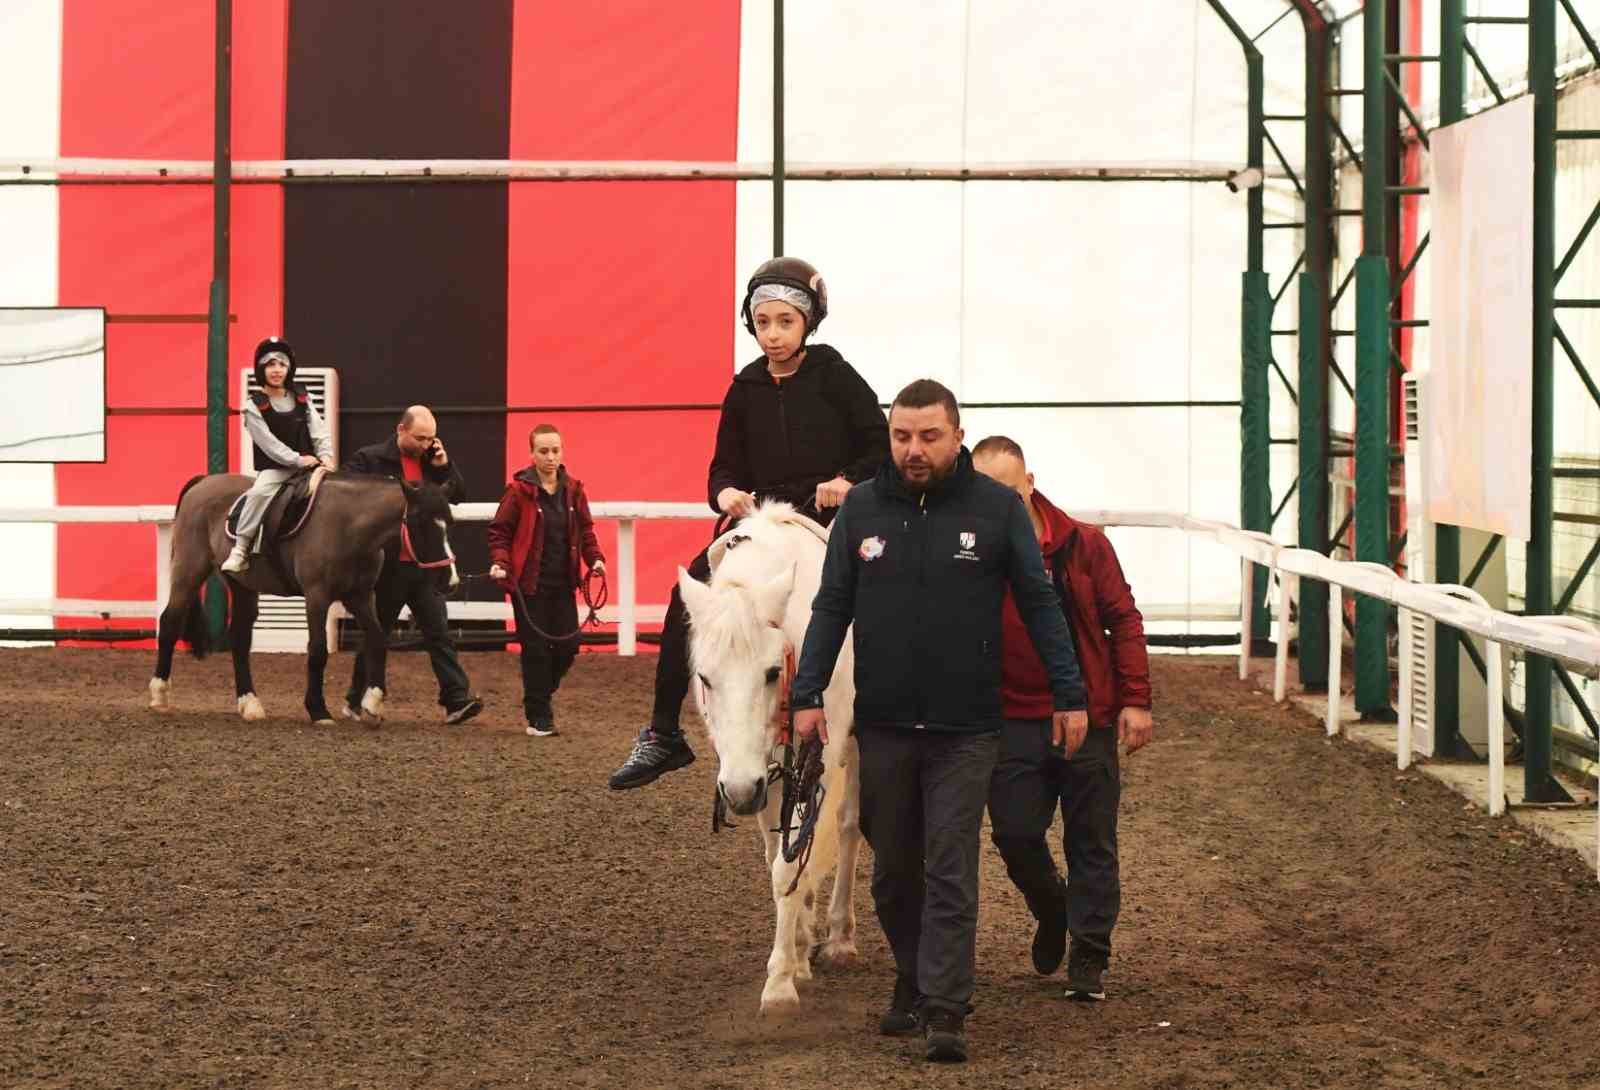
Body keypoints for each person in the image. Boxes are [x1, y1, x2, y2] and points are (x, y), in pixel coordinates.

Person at [788, 380, 1089, 1064]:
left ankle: (947, 1007)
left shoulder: (996, 510)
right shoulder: (861, 509)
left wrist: (1068, 694)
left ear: (957, 437)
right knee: (893, 876)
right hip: (885, 725)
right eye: (902, 437)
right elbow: (832, 606)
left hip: (967, 728)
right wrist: (808, 695)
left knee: (950, 866)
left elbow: (1040, 605)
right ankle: (913, 978)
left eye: (929, 437)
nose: (914, 450)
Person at [607, 257, 888, 788]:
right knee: (687, 593)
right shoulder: (744, 387)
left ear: (808, 322)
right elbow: (723, 467)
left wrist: (846, 479)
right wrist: (725, 492)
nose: (773, 334)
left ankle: (878, 716)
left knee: (880, 588)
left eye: (785, 321)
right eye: (763, 322)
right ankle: (663, 732)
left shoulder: (836, 375)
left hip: (828, 516)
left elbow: (879, 446)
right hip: (760, 517)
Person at [972, 435, 1153, 1004]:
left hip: (1088, 716)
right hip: (1011, 718)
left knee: (1092, 839)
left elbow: (1124, 619)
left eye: (1008, 491)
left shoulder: (1084, 545)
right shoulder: (968, 556)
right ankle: (1052, 907)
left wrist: (1135, 699)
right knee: (1014, 834)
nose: (998, 505)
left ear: (1029, 484)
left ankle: (1090, 956)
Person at [341, 406, 483, 725]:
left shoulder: (433, 462)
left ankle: (456, 700)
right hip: (385, 568)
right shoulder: (369, 458)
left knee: (439, 633)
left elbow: (459, 495)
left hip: (425, 567)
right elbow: (344, 491)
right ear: (401, 430)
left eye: (431, 439)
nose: (426, 444)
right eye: (420, 438)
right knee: (377, 635)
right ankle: (355, 698)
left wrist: (444, 467)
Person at [487, 424, 606, 737]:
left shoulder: (574, 490)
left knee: (569, 646)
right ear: (532, 454)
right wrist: (501, 562)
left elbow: (586, 531)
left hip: (564, 583)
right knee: (535, 650)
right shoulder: (518, 491)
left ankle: (539, 695)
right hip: (528, 586)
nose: (550, 457)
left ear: (562, 451)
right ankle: (539, 716)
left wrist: (596, 559)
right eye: (543, 451)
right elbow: (499, 532)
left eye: (555, 450)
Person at [222, 337, 334, 574]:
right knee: (259, 493)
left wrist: (326, 455)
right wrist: (298, 460)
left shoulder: (302, 396)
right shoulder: (253, 406)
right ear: (261, 369)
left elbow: (318, 429)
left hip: (312, 466)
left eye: (282, 364)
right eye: (270, 364)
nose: (277, 370)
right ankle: (241, 548)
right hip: (277, 469)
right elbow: (269, 445)